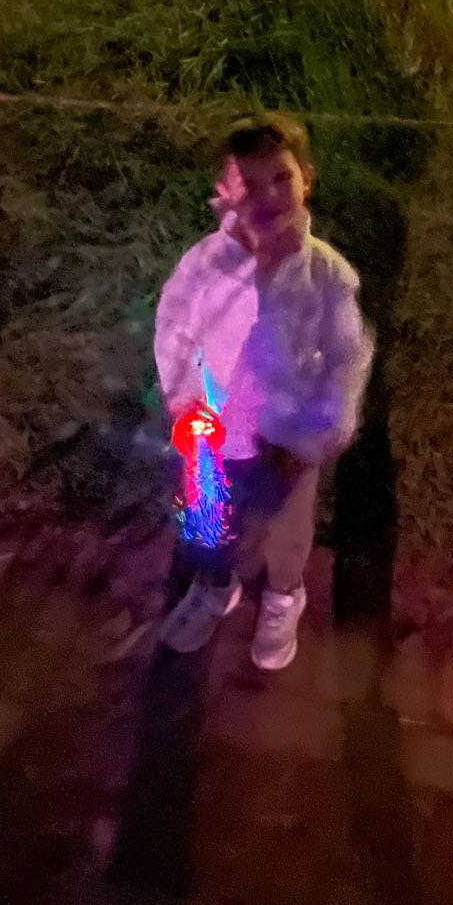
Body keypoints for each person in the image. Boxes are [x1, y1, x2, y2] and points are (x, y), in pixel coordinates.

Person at [154, 112, 373, 670]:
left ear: (307, 178)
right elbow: (174, 328)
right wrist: (182, 398)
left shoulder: (327, 275)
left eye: (281, 178)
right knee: (207, 520)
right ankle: (214, 584)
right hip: (211, 432)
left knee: (287, 533)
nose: (268, 195)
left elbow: (347, 357)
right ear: (225, 194)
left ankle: (282, 597)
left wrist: (316, 435)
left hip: (286, 442)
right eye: (249, 184)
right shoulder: (204, 265)